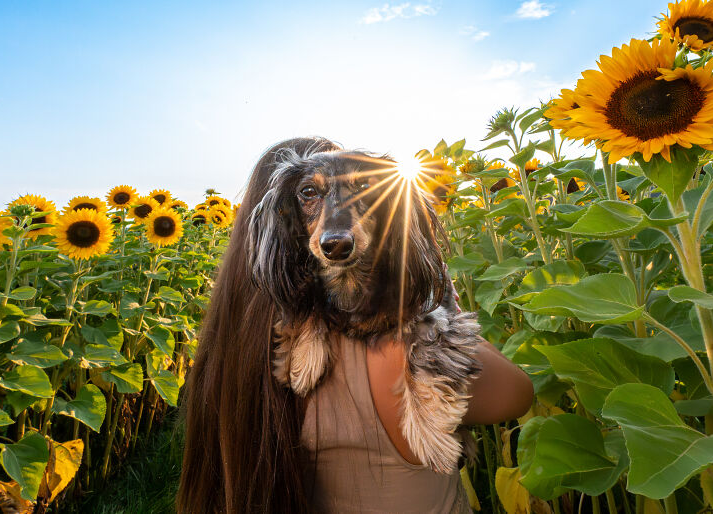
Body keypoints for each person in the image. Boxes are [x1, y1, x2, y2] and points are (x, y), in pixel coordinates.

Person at [178, 138, 534, 514]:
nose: (336, 223)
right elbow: (518, 393)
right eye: (311, 193)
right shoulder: (399, 347)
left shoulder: (226, 355)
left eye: (361, 187)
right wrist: (439, 297)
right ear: (284, 219)